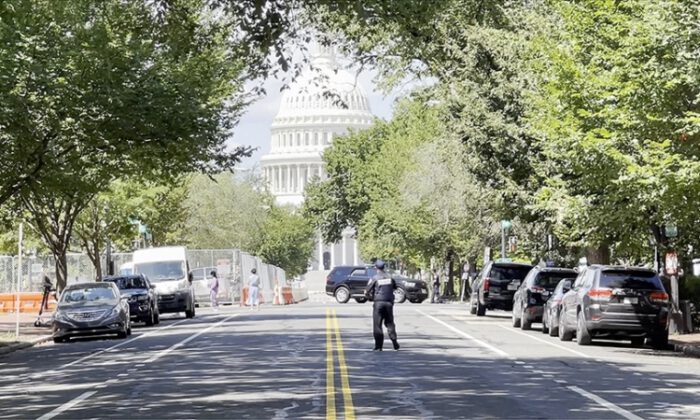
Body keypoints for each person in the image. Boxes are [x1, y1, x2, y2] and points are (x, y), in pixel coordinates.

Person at [364, 260, 400, 351]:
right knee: (390, 323)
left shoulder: (374, 278)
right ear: (384, 267)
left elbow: (367, 290)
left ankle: (379, 346)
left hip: (378, 303)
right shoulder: (390, 277)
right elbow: (395, 287)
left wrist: (369, 297)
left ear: (376, 268)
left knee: (377, 325)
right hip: (389, 303)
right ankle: (394, 341)